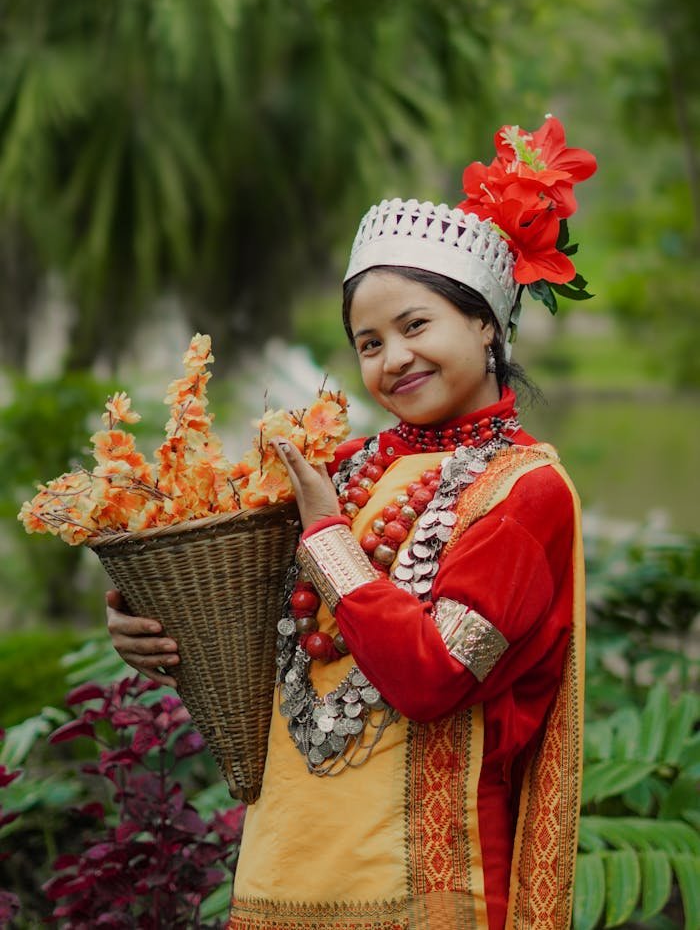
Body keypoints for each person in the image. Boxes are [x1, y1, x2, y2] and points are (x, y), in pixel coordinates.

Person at [107, 116, 596, 930]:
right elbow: (245, 615)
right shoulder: (345, 468)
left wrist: (329, 538)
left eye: (415, 325)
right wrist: (144, 618)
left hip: (432, 893)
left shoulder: (526, 492)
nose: (391, 359)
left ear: (485, 323)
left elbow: (432, 676)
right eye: (367, 342)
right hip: (282, 873)